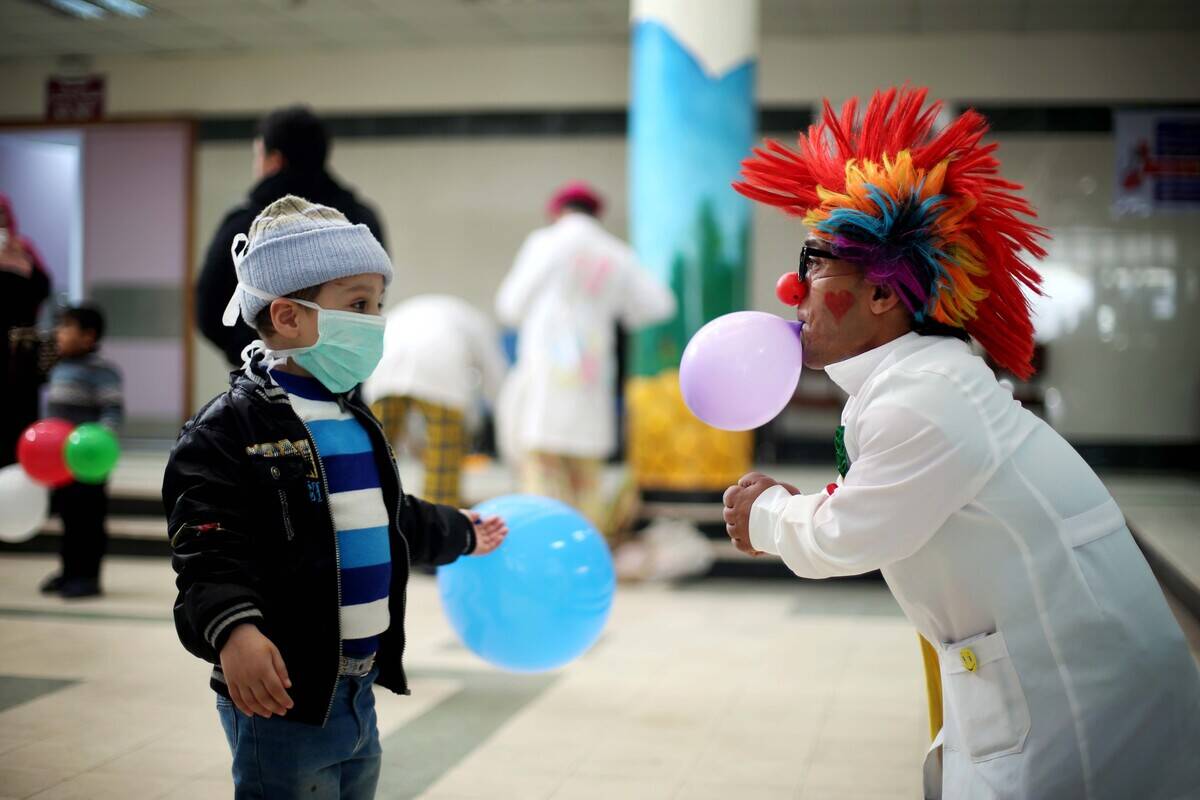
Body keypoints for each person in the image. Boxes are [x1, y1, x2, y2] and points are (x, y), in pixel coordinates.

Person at [720, 86, 1200, 799]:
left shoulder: (926, 398)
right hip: (1042, 670)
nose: (794, 286)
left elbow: (847, 537)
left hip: (1084, 701)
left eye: (815, 261)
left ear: (884, 296)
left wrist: (767, 516)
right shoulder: (916, 381)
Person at [164, 196, 507, 799]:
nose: (375, 321)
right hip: (284, 693)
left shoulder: (355, 418)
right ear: (289, 317)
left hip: (355, 686)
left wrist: (460, 531)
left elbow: (391, 516)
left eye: (378, 304)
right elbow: (207, 549)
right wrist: (234, 630)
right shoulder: (230, 430)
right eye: (357, 305)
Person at [495, 181, 676, 526]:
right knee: (586, 497)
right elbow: (660, 305)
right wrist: (620, 311)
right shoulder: (616, 253)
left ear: (558, 212)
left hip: (545, 389)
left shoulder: (545, 243)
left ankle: (545, 561)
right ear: (596, 214)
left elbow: (509, 306)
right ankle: (585, 561)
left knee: (543, 492)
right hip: (591, 389)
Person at [196, 105, 386, 367]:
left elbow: (209, 309)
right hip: (344, 376)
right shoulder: (361, 220)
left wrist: (259, 351)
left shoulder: (246, 223)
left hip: (268, 374)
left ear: (274, 160)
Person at [364, 294, 508, 507]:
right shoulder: (478, 323)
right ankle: (441, 517)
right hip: (441, 371)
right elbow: (496, 379)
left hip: (385, 370)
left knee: (374, 457)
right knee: (443, 467)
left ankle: (369, 509)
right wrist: (502, 422)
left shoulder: (411, 309)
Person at [38, 304, 123, 599]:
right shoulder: (59, 368)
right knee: (68, 517)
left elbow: (112, 411)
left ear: (88, 336)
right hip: (61, 462)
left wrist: (102, 440)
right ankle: (69, 570)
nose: (58, 333)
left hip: (88, 461)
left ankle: (88, 576)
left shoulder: (102, 371)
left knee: (88, 520)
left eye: (65, 328)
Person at [0, 193, 51, 467]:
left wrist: (22, 262)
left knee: (20, 413)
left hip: (20, 349)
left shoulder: (23, 249)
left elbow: (44, 289)